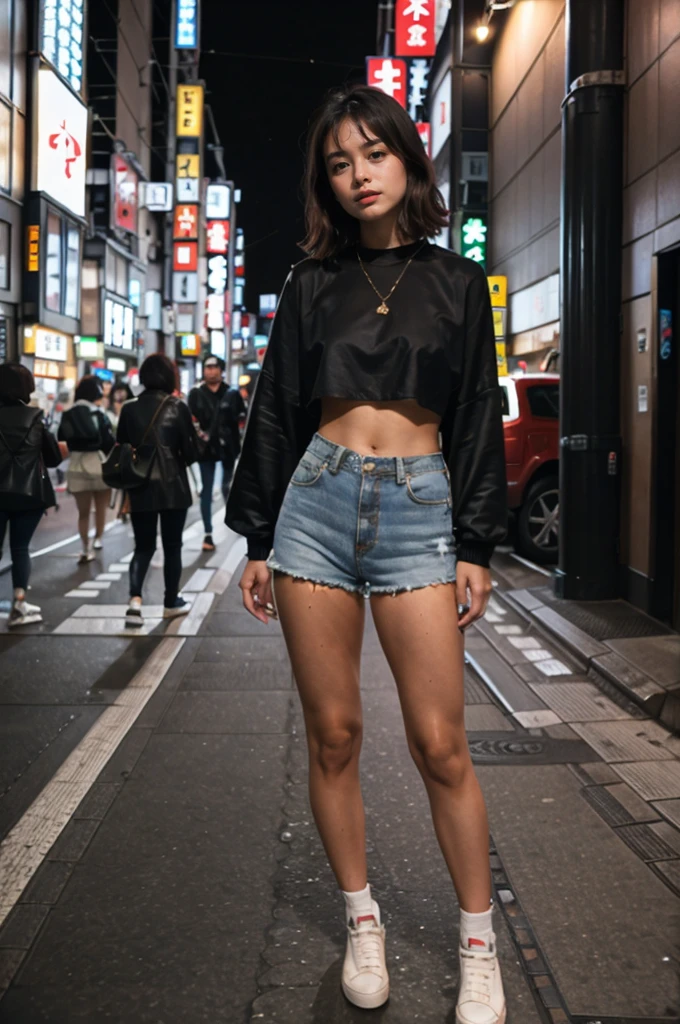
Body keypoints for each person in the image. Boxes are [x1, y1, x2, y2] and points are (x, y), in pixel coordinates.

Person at [226, 85, 508, 1022]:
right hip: (316, 504)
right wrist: (259, 534)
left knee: (441, 743)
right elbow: (275, 408)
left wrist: (476, 540)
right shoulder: (310, 286)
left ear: (408, 159)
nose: (357, 176)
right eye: (339, 164)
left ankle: (479, 945)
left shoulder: (460, 285)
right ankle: (363, 919)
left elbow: (474, 415)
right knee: (334, 733)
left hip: (421, 511)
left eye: (373, 155)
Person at [117, 353, 201, 627]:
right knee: (172, 547)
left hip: (140, 485)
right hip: (173, 487)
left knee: (143, 547)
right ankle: (170, 601)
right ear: (169, 377)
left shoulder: (129, 409)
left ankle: (135, 601)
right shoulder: (178, 407)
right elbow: (191, 453)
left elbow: (121, 448)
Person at [0, 363, 63, 627]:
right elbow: (52, 458)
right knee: (20, 548)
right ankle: (19, 604)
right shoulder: (36, 417)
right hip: (29, 494)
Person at [188, 355, 245, 552]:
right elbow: (191, 421)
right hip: (205, 448)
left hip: (228, 447)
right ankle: (208, 533)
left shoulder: (232, 394)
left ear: (221, 370)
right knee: (206, 490)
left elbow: (241, 420)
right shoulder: (196, 394)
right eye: (207, 367)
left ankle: (235, 520)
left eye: (214, 367)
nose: (210, 371)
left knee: (227, 486)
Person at [58, 375, 116, 563]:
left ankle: (85, 549)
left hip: (76, 465)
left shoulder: (68, 413)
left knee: (83, 513)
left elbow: (62, 438)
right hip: (98, 464)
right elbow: (108, 441)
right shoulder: (99, 413)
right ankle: (98, 539)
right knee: (100, 509)